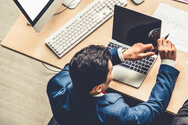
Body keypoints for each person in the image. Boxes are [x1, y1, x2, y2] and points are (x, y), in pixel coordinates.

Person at [47, 38, 179, 125]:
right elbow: (154, 107)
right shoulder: (115, 112)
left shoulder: (56, 83)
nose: (112, 73)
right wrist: (167, 65)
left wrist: (123, 54)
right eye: (110, 70)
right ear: (98, 88)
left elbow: (73, 64)